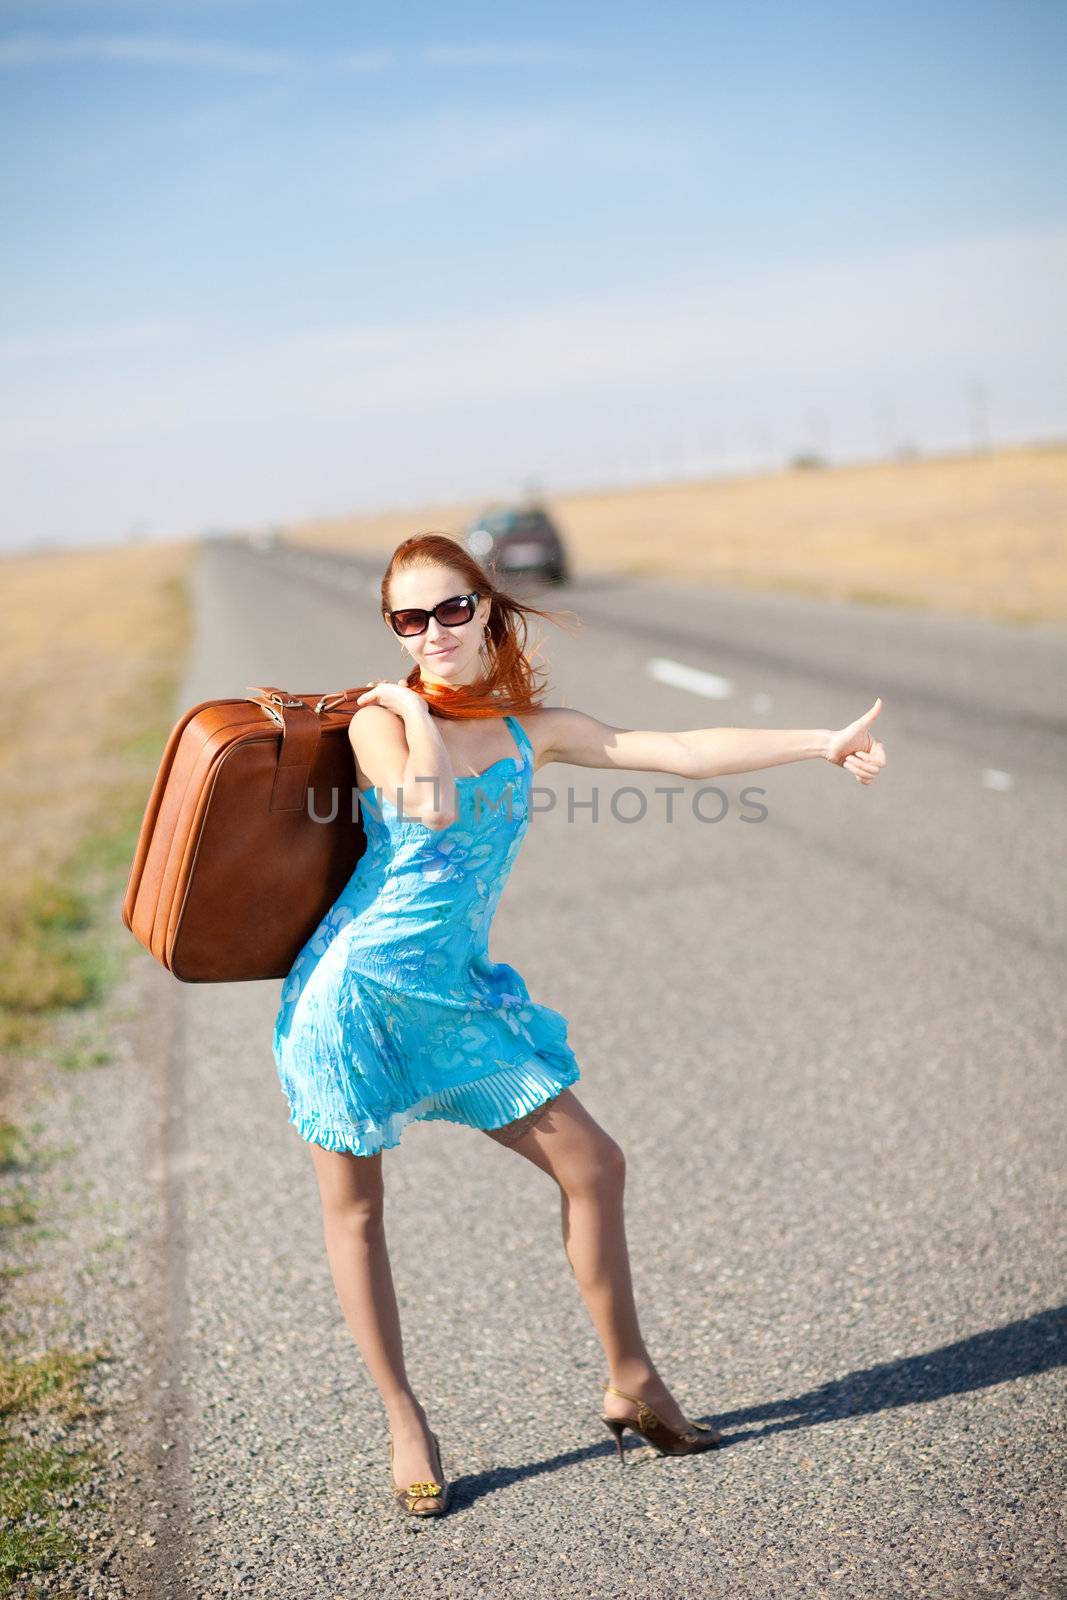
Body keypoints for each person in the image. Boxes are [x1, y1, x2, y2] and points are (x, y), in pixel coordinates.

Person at [272, 532, 888, 1517]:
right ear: (393, 628)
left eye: (450, 609)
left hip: (456, 997)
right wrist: (406, 702)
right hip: (352, 996)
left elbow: (676, 752)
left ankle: (631, 1379)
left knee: (592, 1164)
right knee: (355, 1212)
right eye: (408, 619)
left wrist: (818, 742)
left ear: (486, 606)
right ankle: (403, 1421)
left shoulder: (531, 727)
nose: (431, 632)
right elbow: (425, 808)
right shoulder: (376, 723)